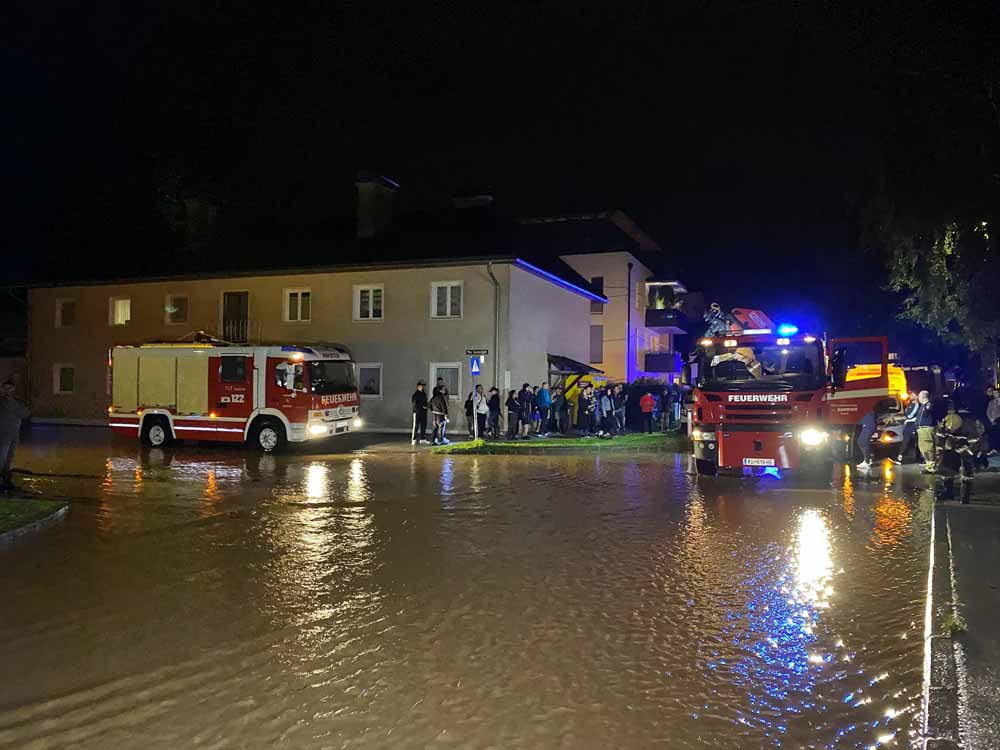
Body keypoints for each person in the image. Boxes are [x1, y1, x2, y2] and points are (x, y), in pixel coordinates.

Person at [0, 378, 29, 493]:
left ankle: (6, 481)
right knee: (2, 459)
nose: (7, 390)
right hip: (3, 436)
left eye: (10, 388)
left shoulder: (17, 402)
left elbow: (26, 414)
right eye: (5, 388)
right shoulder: (2, 402)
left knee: (9, 460)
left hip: (14, 435)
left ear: (14, 389)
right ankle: (1, 482)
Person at [914, 390, 937, 473]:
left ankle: (931, 467)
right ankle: (928, 465)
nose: (918, 398)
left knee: (928, 448)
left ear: (923, 397)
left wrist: (929, 405)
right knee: (923, 449)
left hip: (926, 429)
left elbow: (930, 409)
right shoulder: (922, 406)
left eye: (919, 396)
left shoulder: (928, 405)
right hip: (921, 429)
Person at [894, 391, 919, 464]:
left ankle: (919, 458)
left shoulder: (916, 405)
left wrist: (905, 417)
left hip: (912, 425)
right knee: (906, 441)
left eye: (913, 395)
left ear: (916, 397)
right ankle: (900, 457)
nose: (910, 396)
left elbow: (910, 415)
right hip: (908, 425)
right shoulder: (910, 404)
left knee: (913, 441)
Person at [410, 380, 428, 445]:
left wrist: (426, 406)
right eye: (421, 386)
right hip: (417, 412)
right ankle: (414, 439)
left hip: (423, 412)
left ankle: (422, 439)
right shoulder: (415, 395)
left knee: (423, 425)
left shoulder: (424, 394)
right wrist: (422, 406)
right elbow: (414, 404)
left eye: (423, 386)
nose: (422, 387)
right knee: (416, 426)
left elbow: (425, 402)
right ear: (417, 387)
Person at [988, 388, 1000, 455]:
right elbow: (988, 411)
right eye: (993, 393)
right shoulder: (991, 402)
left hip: (998, 419)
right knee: (993, 434)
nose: (994, 394)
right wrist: (990, 418)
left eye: (996, 393)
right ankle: (994, 448)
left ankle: (997, 448)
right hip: (993, 420)